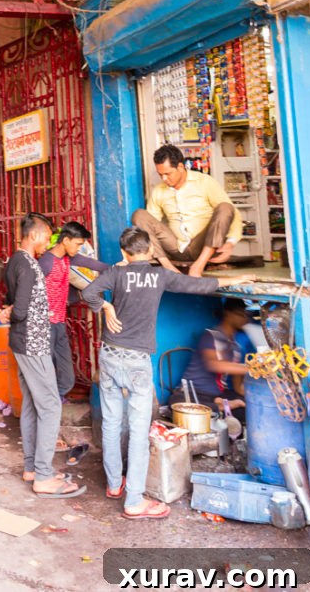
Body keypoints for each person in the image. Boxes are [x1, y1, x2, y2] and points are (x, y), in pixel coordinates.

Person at [81, 225, 252, 520]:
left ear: (124, 252)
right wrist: (235, 279)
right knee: (137, 429)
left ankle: (114, 484)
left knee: (110, 422)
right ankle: (133, 502)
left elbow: (88, 292)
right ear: (150, 251)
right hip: (136, 362)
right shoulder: (159, 275)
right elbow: (197, 285)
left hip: (109, 356)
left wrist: (105, 306)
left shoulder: (116, 272)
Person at [0, 212, 85, 499]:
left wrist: (13, 311)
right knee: (49, 406)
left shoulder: (13, 261)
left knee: (34, 405)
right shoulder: (30, 266)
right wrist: (15, 313)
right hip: (33, 344)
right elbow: (21, 310)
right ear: (34, 235)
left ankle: (32, 468)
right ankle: (44, 477)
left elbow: (15, 304)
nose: (48, 243)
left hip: (23, 344)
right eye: (47, 237)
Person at [132, 143, 243, 277]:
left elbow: (232, 214)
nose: (164, 179)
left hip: (203, 247)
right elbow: (150, 226)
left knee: (225, 207)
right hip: (175, 248)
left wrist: (230, 243)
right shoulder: (159, 191)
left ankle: (199, 265)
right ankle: (168, 266)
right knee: (139, 215)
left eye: (168, 174)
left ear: (180, 166)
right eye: (160, 175)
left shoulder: (205, 182)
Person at [38, 221, 108, 399]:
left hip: (59, 323)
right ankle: (45, 408)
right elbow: (30, 290)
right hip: (44, 325)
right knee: (43, 373)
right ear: (66, 240)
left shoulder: (69, 258)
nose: (79, 249)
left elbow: (92, 264)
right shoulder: (46, 262)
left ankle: (52, 403)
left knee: (67, 377)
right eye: (77, 244)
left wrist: (117, 270)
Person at [172, 297, 250, 422]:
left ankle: (220, 406)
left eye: (246, 316)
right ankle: (220, 406)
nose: (245, 319)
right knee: (179, 404)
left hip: (217, 395)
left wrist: (255, 400)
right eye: (241, 315)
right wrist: (251, 368)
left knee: (249, 412)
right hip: (194, 393)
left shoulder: (236, 348)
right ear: (228, 313)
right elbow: (213, 365)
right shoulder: (211, 336)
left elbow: (237, 387)